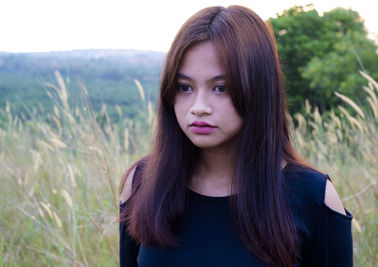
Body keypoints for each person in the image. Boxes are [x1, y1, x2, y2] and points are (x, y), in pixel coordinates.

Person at [119, 5, 353, 267]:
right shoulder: (142, 182)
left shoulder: (313, 197)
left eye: (221, 88)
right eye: (185, 87)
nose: (199, 106)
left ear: (258, 88)